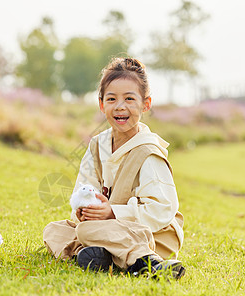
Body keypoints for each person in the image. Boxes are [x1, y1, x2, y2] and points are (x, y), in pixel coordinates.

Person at [43, 57, 185, 279]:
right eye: (111, 99)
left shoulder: (148, 151)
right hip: (107, 230)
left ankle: (147, 261)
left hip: (151, 236)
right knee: (54, 229)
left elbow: (163, 211)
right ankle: (99, 255)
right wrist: (83, 211)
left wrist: (112, 212)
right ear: (101, 105)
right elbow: (83, 190)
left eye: (130, 98)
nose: (120, 106)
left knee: (86, 231)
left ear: (145, 104)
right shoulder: (97, 146)